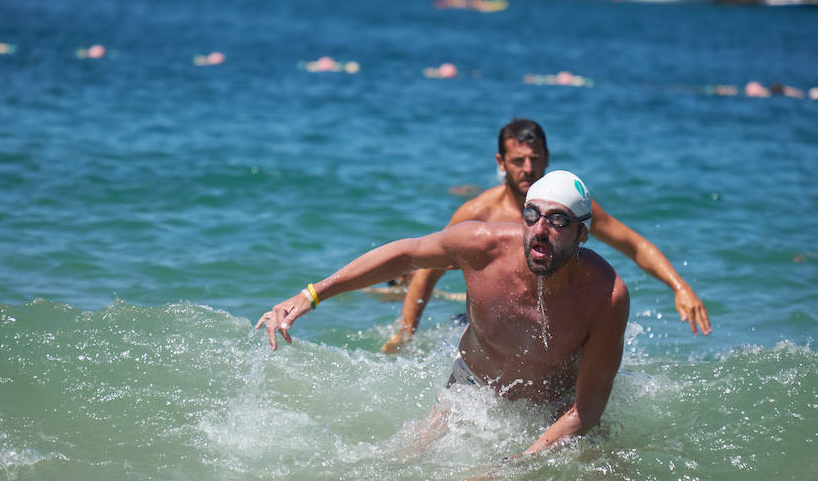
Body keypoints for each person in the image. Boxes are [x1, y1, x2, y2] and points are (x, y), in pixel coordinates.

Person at [256, 171, 629, 456]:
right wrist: (312, 294)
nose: (541, 230)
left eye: (559, 221)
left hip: (555, 405)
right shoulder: (482, 247)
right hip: (472, 390)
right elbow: (407, 254)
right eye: (532, 215)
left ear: (582, 234)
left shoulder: (605, 296)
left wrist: (515, 464)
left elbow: (586, 410)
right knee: (402, 462)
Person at [381, 118, 710, 353]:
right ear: (501, 162)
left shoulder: (570, 210)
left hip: (555, 320)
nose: (527, 169)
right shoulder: (477, 213)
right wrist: (405, 332)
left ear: (547, 159)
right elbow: (426, 272)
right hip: (492, 322)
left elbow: (634, 245)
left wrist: (680, 287)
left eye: (535, 159)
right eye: (518, 161)